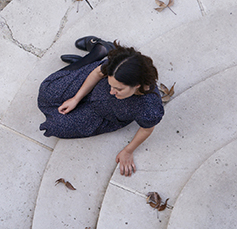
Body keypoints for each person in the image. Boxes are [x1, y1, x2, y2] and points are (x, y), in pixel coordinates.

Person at [37, 37, 163, 176]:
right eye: (111, 85)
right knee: (47, 91)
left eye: (118, 89)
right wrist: (76, 98)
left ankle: (84, 62)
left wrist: (128, 151)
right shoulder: (117, 67)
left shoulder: (149, 107)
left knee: (56, 126)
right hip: (93, 87)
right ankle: (99, 52)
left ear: (137, 85)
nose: (112, 91)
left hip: (103, 113)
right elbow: (98, 73)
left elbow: (147, 129)